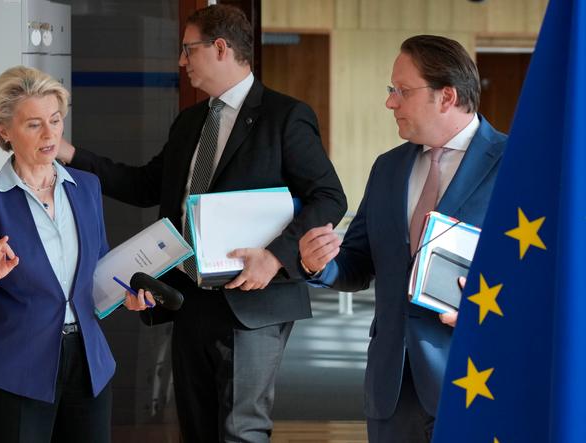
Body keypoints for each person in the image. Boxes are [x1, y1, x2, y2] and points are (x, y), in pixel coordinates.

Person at [56, 4, 346, 442]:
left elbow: (330, 197)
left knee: (240, 431)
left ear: (221, 48)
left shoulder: (285, 117)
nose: (181, 60)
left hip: (253, 301)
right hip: (190, 300)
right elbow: (142, 185)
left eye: (188, 49)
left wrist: (275, 257)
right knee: (197, 429)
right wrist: (70, 156)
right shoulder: (191, 122)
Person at [299, 35, 508, 443]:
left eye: (401, 91)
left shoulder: (516, 166)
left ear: (446, 96)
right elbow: (358, 261)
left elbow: (551, 275)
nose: (390, 102)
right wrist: (319, 264)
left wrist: (497, 306)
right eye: (390, 90)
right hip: (392, 387)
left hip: (478, 377)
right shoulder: (388, 168)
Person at [0, 66, 154, 443]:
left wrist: (123, 296)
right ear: (4, 131)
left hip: (90, 364)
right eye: (34, 125)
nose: (50, 134)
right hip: (18, 370)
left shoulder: (86, 187)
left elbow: (98, 269)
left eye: (55, 120)